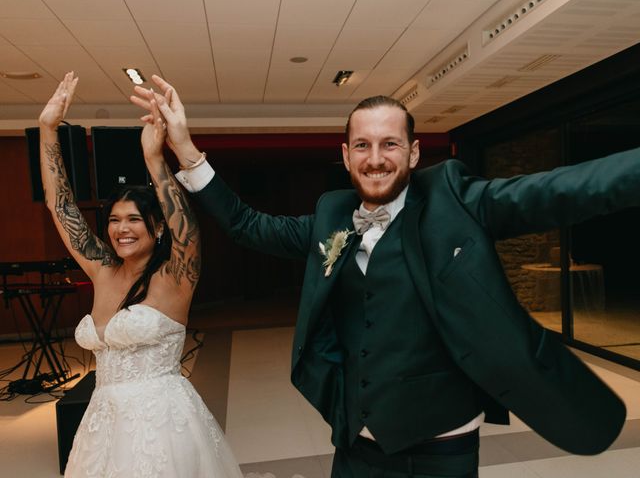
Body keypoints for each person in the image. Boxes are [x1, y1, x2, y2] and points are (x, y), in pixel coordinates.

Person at [132, 77, 638, 478]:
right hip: (357, 445)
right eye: (364, 145)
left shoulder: (456, 202)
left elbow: (564, 191)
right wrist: (186, 149)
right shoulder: (330, 217)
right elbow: (247, 225)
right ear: (346, 154)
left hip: (444, 445)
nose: (376, 159)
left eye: (390, 144)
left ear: (414, 153)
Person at [40, 72, 243, 478]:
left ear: (159, 226)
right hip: (103, 422)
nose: (121, 228)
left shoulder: (174, 277)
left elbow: (187, 224)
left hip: (162, 425)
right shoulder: (102, 269)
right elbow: (61, 209)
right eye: (114, 220)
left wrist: (155, 158)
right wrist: (48, 131)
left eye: (135, 219)